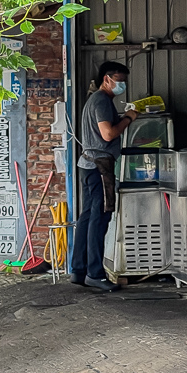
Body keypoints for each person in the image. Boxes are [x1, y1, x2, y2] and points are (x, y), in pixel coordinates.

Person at [71, 61, 137, 293]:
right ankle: (95, 274)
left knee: (88, 217)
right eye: (119, 80)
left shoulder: (98, 101)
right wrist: (128, 118)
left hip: (88, 164)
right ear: (106, 79)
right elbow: (108, 134)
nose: (122, 84)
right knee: (99, 219)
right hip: (99, 166)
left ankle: (79, 270)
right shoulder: (100, 100)